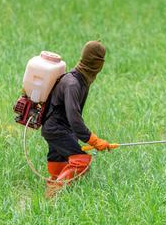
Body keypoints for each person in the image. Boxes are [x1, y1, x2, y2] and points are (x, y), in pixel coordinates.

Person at [41, 40, 113, 198]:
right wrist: (94, 140)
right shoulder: (73, 83)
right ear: (98, 63)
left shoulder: (81, 80)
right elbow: (74, 118)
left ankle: (52, 195)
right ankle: (52, 194)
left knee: (59, 163)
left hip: (56, 128)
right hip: (57, 129)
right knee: (81, 160)